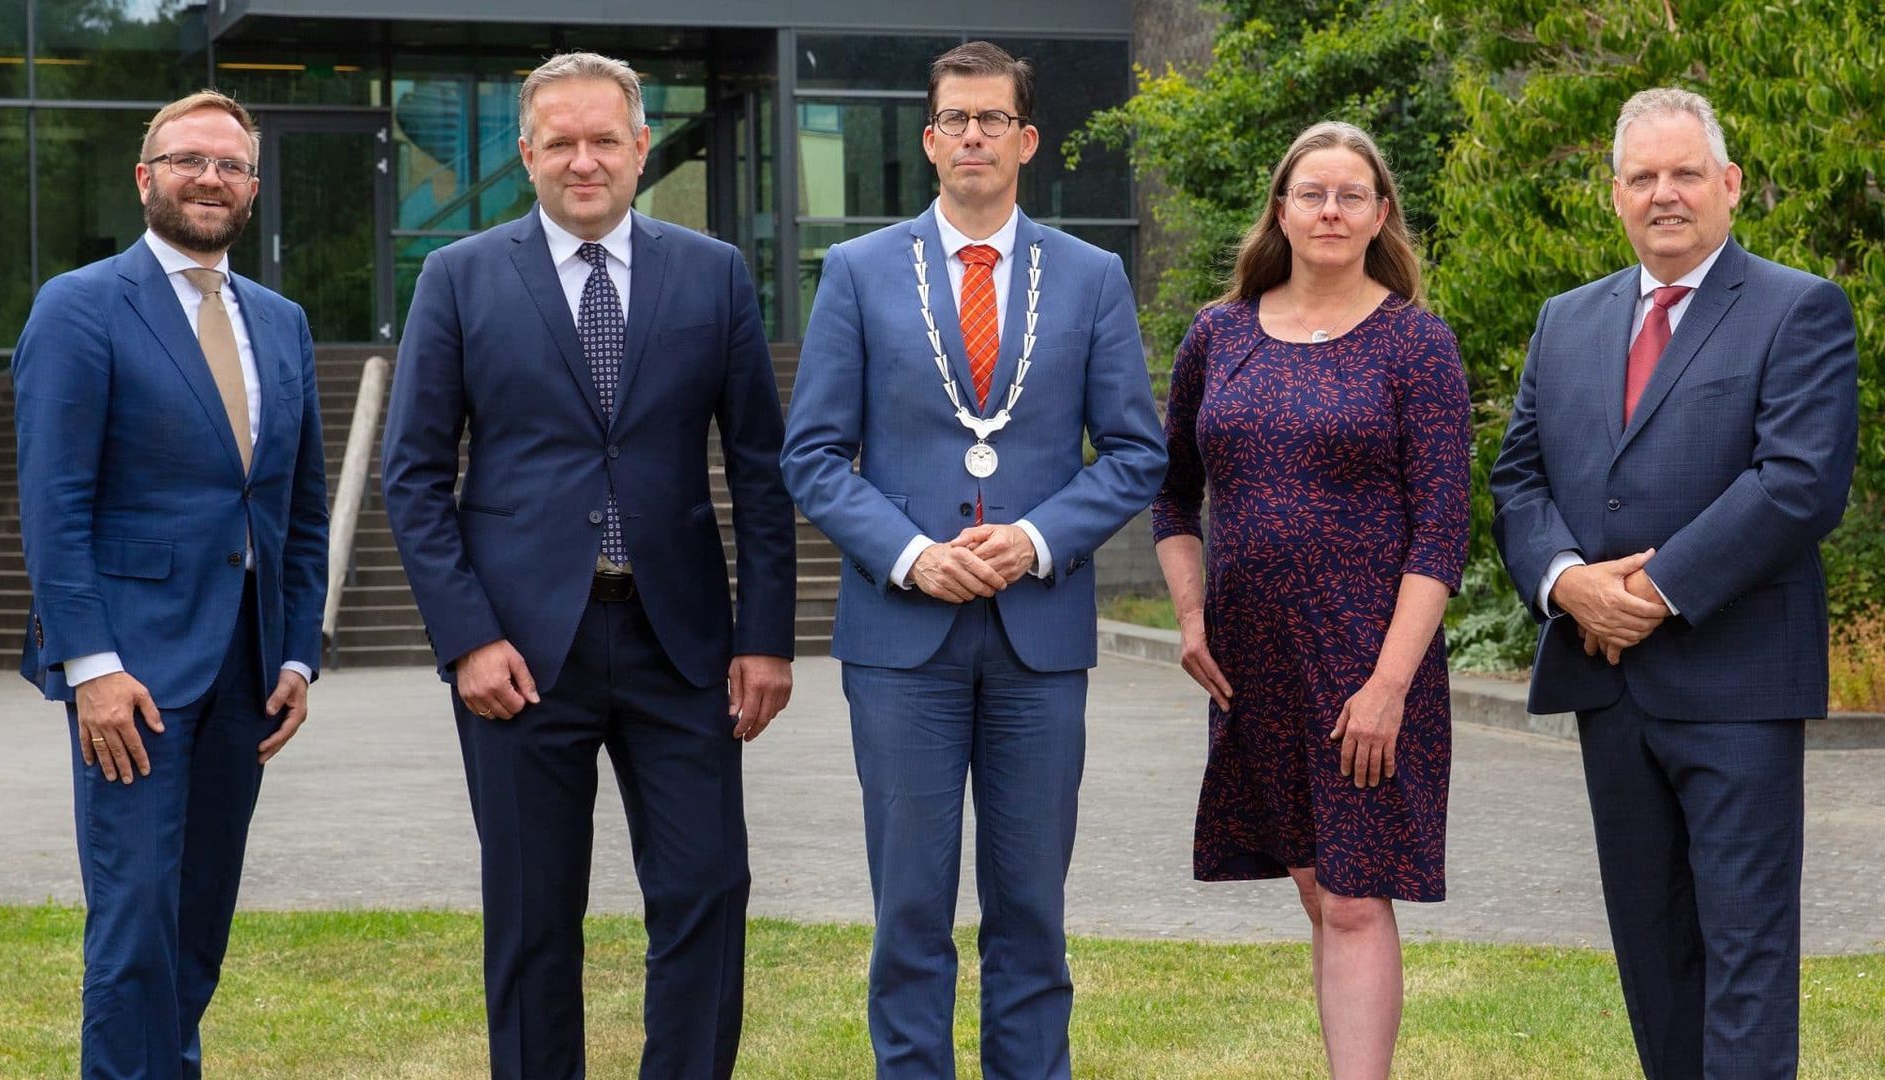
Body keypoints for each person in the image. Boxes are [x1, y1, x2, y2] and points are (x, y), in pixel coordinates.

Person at [379, 52, 796, 1080]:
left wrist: (765, 639)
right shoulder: (460, 277)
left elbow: (761, 470)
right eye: (559, 141)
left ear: (641, 145)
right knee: (530, 914)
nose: (583, 160)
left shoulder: (713, 275)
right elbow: (414, 476)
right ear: (526, 153)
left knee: (706, 892)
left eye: (604, 138)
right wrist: (467, 639)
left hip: (683, 645)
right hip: (520, 655)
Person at [781, 41, 1166, 1079]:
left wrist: (1038, 537)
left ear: (1027, 139)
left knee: (1031, 908)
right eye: (955, 119)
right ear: (928, 138)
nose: (974, 137)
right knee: (909, 909)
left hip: (1039, 641)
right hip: (901, 643)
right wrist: (911, 554)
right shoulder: (859, 273)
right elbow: (811, 457)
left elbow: (1138, 451)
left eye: (994, 119)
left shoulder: (1089, 278)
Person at [1490, 87, 1857, 1080]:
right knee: (1654, 959)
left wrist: (1644, 597)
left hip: (1736, 686)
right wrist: (1569, 586)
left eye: (1685, 172)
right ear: (1614, 196)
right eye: (1642, 177)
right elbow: (1518, 481)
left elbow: (1798, 484)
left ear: (1729, 185)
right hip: (1610, 695)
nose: (1665, 194)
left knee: (1745, 956)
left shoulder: (1798, 308)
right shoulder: (1565, 322)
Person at [11, 90, 329, 1078]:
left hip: (245, 675)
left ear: (252, 190)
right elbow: (53, 501)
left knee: (196, 922)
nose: (210, 179)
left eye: (230, 166)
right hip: (133, 676)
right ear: (145, 177)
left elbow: (299, 509)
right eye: (188, 160)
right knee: (136, 923)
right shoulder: (82, 306)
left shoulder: (280, 322)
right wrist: (91, 665)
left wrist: (297, 653)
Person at [1150, 121, 1470, 1079]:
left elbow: (1443, 529)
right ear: (1281, 210)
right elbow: (1171, 490)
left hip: (1370, 658)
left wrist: (1389, 685)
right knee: (1317, 889)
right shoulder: (1220, 334)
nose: (1331, 211)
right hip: (1253, 660)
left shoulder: (1416, 344)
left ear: (1381, 216)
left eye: (1352, 195)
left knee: (1357, 897)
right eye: (1312, 193)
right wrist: (1192, 614)